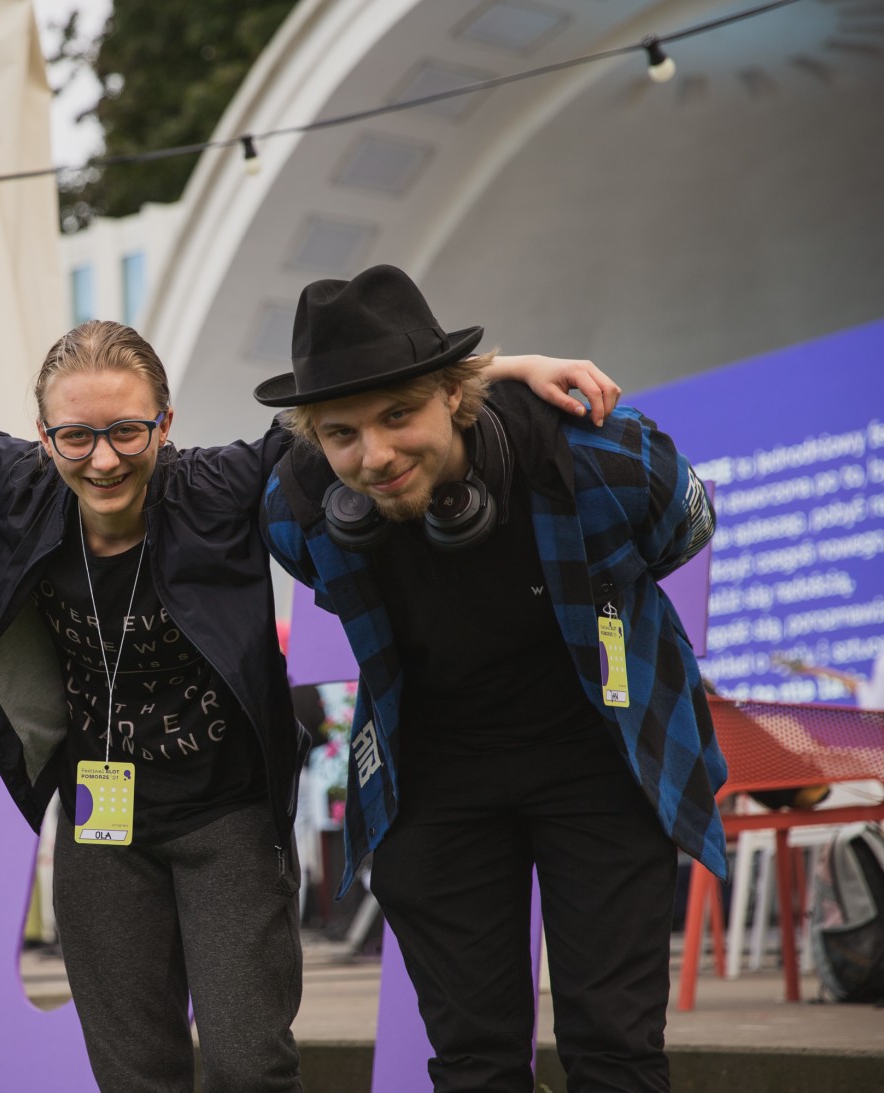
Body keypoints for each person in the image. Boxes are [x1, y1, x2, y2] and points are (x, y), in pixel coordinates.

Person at [0, 318, 612, 1092]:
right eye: (75, 435)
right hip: (99, 821)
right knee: (133, 1070)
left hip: (226, 814)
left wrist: (502, 372)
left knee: (249, 1063)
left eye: (127, 430)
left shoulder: (222, 485)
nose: (104, 458)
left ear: (165, 422)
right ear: (43, 437)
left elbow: (354, 408)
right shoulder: (22, 487)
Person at [257, 265, 726, 1093]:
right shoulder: (299, 508)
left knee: (615, 1048)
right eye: (342, 433)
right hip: (435, 777)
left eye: (400, 415)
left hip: (602, 758)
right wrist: (507, 364)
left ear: (454, 393)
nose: (376, 456)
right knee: (473, 1060)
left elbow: (685, 525)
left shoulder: (598, 454)